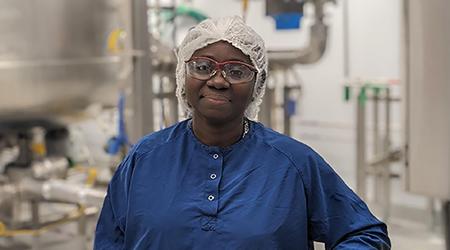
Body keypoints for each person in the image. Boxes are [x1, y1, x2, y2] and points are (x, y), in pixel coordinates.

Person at [94, 16, 391, 249]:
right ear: (183, 76)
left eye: (237, 71)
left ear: (257, 86)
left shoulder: (293, 164)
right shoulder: (145, 158)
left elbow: (363, 233)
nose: (218, 80)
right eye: (203, 66)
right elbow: (110, 239)